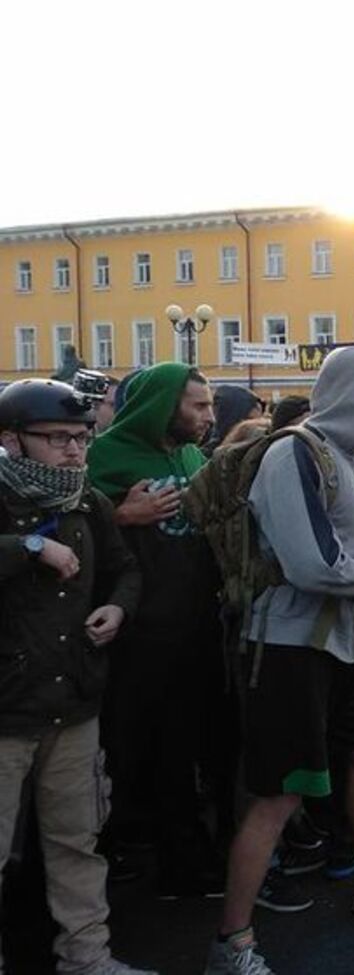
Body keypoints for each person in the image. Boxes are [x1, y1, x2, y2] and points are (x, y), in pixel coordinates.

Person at [204, 348, 354, 975]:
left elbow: (342, 542)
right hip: (286, 648)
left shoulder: (344, 458)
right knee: (278, 796)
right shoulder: (294, 453)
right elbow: (314, 565)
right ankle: (232, 942)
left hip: (334, 643)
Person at [0, 379, 152, 975]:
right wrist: (30, 545)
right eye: (57, 438)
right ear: (12, 441)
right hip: (7, 707)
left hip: (75, 701)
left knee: (78, 842)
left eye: (81, 438)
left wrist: (118, 608)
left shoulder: (85, 500)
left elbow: (124, 570)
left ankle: (87, 956)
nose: (72, 451)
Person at [87, 363, 228, 899]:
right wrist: (121, 517)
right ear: (161, 406)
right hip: (132, 637)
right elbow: (72, 543)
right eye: (197, 405)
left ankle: (183, 861)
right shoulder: (102, 457)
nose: (208, 416)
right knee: (128, 749)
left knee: (183, 745)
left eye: (211, 405)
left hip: (193, 630)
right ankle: (120, 853)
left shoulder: (192, 455)